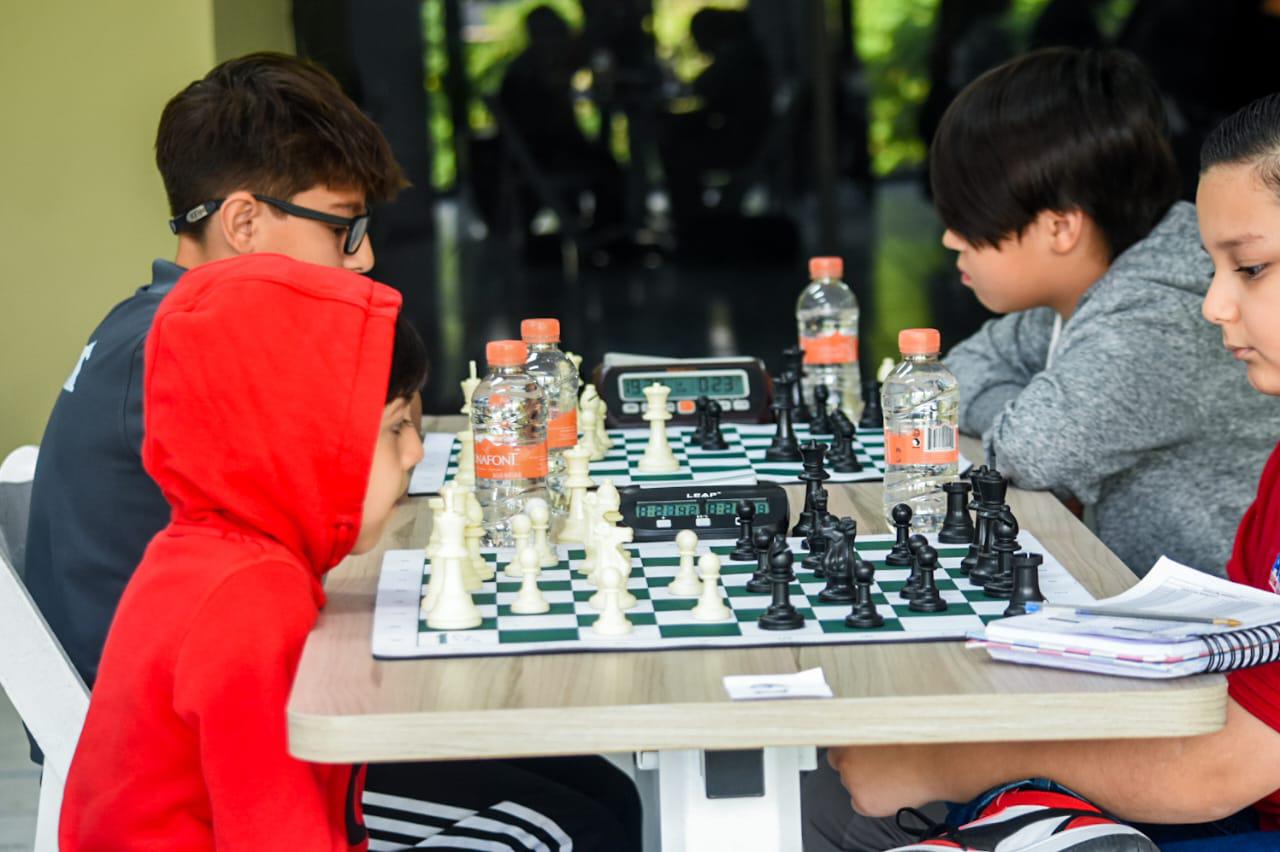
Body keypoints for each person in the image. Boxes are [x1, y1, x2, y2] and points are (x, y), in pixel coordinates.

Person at [32, 53, 641, 849]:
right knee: (566, 821)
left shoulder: (162, 327)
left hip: (228, 694)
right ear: (244, 221)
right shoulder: (189, 358)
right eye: (341, 225)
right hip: (199, 743)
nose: (361, 257)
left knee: (593, 786)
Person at [812, 91, 1280, 852]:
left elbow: (1220, 770)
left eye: (1251, 268)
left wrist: (943, 762)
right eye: (1216, 267)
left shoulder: (1148, 318)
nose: (1213, 306)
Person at [934, 48, 1280, 578]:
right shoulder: (1088, 295)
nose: (950, 237)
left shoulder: (1158, 315)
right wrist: (1035, 404)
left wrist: (1033, 412)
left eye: (970, 214)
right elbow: (958, 369)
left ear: (1060, 227)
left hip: (1215, 635)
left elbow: (1031, 450)